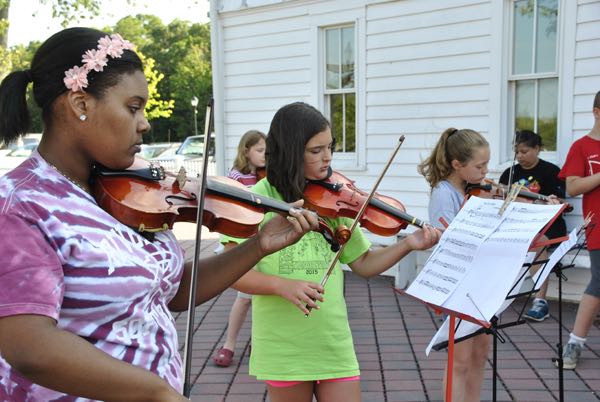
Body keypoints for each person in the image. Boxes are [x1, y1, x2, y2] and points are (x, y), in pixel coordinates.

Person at [0, 28, 319, 402]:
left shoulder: (122, 190)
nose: (145, 123)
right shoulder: (22, 204)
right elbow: (30, 347)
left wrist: (259, 245)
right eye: (133, 107)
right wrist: (155, 392)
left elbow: (169, 291)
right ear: (80, 104)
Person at [220, 102, 441, 402]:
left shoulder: (333, 199)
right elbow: (231, 273)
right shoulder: (255, 200)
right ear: (290, 151)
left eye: (330, 147)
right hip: (283, 347)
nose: (328, 158)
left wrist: (408, 244)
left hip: (333, 343)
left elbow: (362, 263)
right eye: (316, 150)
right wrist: (282, 286)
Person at [417, 128, 491, 402]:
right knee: (459, 359)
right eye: (479, 166)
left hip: (481, 282)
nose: (485, 172)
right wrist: (480, 207)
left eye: (486, 164)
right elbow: (451, 239)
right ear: (457, 165)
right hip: (459, 283)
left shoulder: (472, 190)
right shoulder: (443, 193)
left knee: (480, 354)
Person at [499, 130, 567, 322]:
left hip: (548, 224)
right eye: (517, 152)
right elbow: (501, 200)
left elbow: (562, 202)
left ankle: (540, 301)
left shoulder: (551, 171)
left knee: (537, 240)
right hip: (518, 223)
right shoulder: (510, 172)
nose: (519, 156)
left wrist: (539, 204)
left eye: (524, 151)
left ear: (537, 149)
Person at [212, 129, 267, 367]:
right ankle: (229, 344)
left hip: (265, 241)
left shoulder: (265, 177)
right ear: (247, 151)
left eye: (268, 151)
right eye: (260, 150)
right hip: (245, 240)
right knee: (245, 297)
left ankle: (259, 341)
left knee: (263, 296)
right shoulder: (237, 177)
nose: (266, 155)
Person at [556, 90, 600, 370]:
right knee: (599, 281)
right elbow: (572, 187)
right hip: (599, 224)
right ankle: (575, 342)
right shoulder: (582, 147)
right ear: (597, 112)